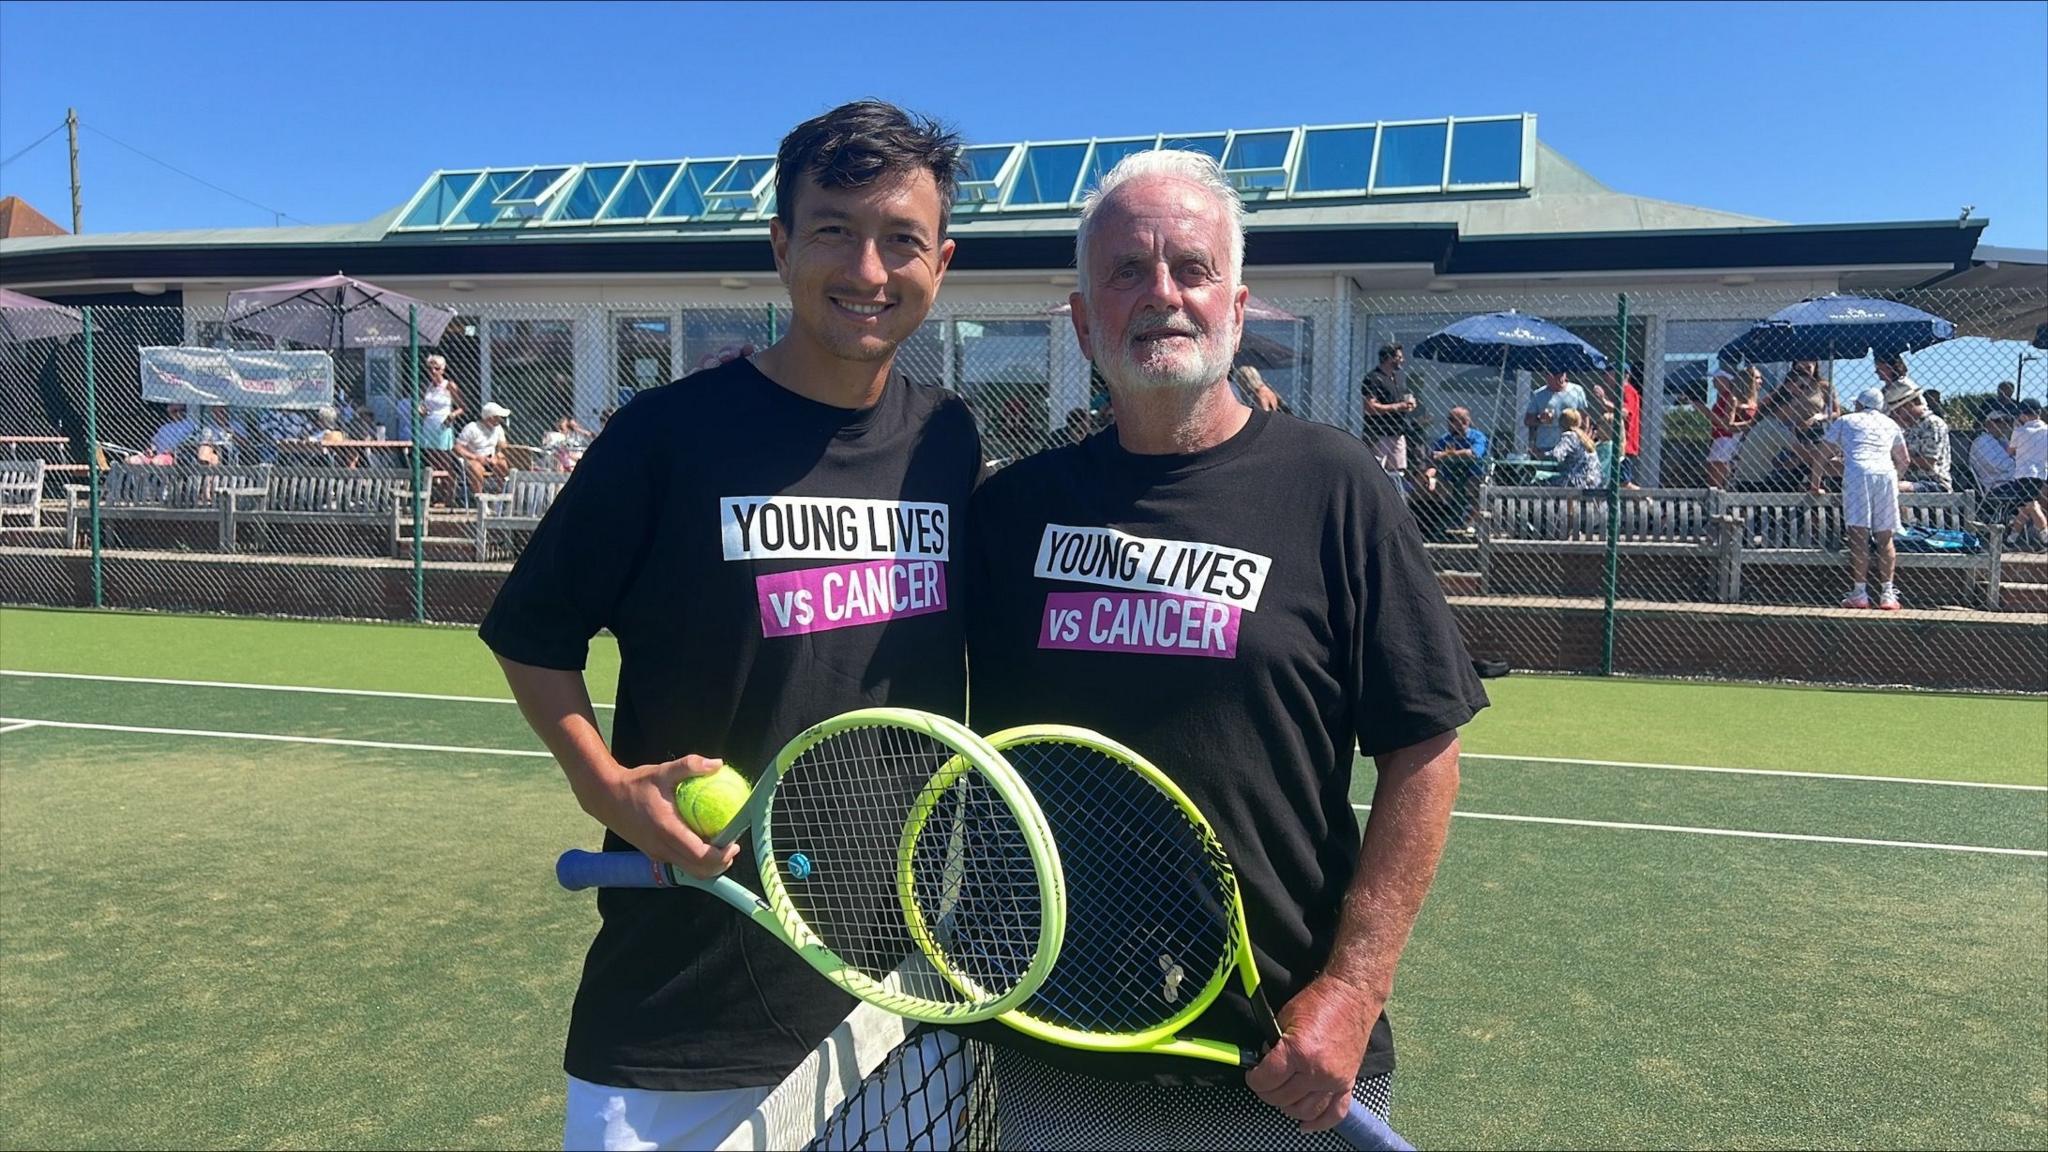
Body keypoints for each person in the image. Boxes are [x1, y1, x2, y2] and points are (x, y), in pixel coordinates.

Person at [479, 100, 979, 1152]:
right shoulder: (667, 435)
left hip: (891, 1007)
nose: (868, 270)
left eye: (901, 240)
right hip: (679, 1013)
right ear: (781, 243)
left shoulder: (946, 439)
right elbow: (533, 633)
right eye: (835, 229)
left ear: (942, 259)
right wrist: (601, 785)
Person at [961, 147, 1484, 1146]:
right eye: (1125, 272)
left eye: (1189, 269)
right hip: (1055, 1050)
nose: (1161, 294)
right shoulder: (1009, 513)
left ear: (1235, 308)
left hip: (1280, 1061)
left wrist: (1353, 988)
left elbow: (1423, 750)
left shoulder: (1333, 487)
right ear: (1081, 322)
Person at [1822, 387, 1911, 610]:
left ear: (1860, 404)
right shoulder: (1890, 424)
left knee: (1858, 534)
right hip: (1885, 474)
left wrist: (1815, 482)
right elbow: (1904, 460)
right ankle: (1887, 593)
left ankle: (1860, 592)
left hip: (1858, 473)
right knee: (1885, 536)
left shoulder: (1846, 420)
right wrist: (1895, 481)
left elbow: (1822, 451)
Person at [1423, 405, 1489, 533]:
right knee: (1433, 485)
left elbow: (1474, 453)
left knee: (1476, 487)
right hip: (1450, 475)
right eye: (1449, 419)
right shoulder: (1445, 438)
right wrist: (1430, 474)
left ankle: (1468, 521)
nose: (1448, 423)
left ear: (1464, 422)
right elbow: (1434, 455)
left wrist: (1449, 453)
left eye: (1452, 419)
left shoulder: (1477, 437)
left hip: (1472, 474)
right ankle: (1442, 521)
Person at [1700, 357, 1759, 489]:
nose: (1714, 381)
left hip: (1725, 439)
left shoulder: (1730, 397)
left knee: (1716, 479)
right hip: (1720, 438)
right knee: (1714, 472)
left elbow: (1726, 423)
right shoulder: (1724, 397)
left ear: (1726, 380)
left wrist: (1703, 409)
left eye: (1717, 378)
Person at [1885, 377, 1952, 492]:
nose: (1896, 416)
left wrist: (1899, 458)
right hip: (1911, 480)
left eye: (1898, 411)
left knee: (1896, 487)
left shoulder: (1932, 423)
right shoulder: (1909, 427)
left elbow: (1929, 462)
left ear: (1910, 404)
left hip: (1934, 482)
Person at [1360, 343, 1415, 478]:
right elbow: (1370, 407)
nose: (1402, 360)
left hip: (1397, 432)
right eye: (1399, 357)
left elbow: (1399, 400)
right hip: (1379, 433)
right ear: (1390, 358)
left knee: (1397, 472)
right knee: (1375, 471)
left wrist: (1409, 404)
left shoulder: (1395, 379)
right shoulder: (1373, 378)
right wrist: (1398, 407)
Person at [1592, 364, 1642, 488]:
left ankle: (1647, 500)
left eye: (1611, 373)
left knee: (1624, 482)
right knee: (1616, 482)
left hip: (1624, 444)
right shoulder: (1620, 391)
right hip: (1619, 444)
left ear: (1624, 375)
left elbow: (1624, 412)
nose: (1606, 376)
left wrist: (1603, 399)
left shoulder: (1627, 390)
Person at [1522, 368, 1588, 456]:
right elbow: (1527, 420)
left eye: (1561, 374)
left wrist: (1584, 438)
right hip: (1545, 445)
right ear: (1547, 377)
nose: (1559, 377)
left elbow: (1584, 418)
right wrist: (1540, 419)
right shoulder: (1538, 394)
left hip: (1571, 445)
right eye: (1555, 375)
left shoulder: (1577, 390)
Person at [454, 402, 513, 497]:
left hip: (491, 460)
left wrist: (498, 455)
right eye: (498, 417)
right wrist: (476, 457)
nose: (500, 420)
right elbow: (457, 447)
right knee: (476, 468)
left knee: (503, 464)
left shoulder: (498, 429)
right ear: (490, 418)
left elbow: (503, 446)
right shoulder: (472, 428)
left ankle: (500, 498)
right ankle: (480, 499)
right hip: (474, 460)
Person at [1546, 408, 1603, 489]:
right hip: (1594, 479)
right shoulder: (1584, 436)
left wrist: (1541, 455)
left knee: (1543, 481)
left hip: (1577, 479)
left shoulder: (1569, 436)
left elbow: (1556, 455)